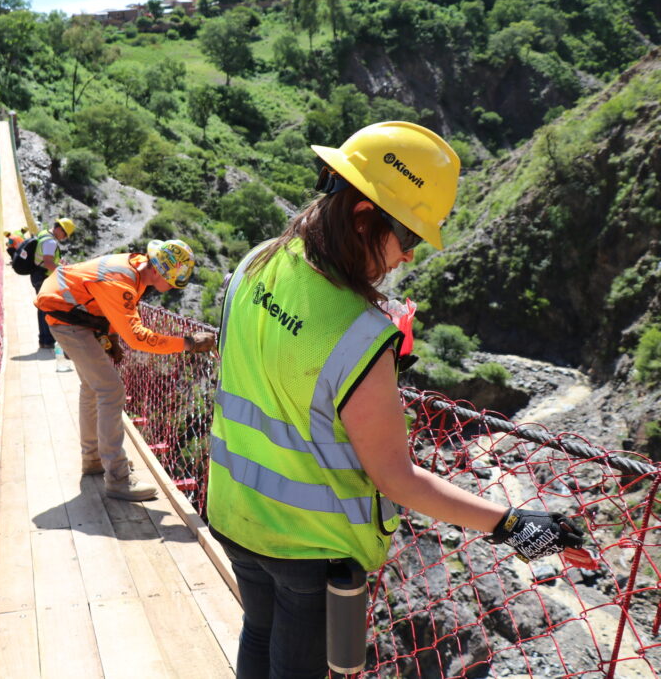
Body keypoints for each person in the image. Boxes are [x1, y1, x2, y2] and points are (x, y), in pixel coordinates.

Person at [205, 121, 585, 678]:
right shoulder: (360, 333)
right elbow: (397, 479)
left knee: (258, 632)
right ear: (363, 217)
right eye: (408, 237)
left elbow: (271, 376)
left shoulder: (257, 261)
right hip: (309, 545)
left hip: (233, 508)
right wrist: (511, 524)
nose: (407, 256)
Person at [35, 239, 217, 501]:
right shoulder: (121, 281)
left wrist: (112, 337)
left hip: (74, 313)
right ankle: (118, 480)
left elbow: (113, 307)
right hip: (67, 320)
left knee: (93, 387)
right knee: (111, 390)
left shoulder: (137, 269)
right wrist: (187, 344)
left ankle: (93, 459)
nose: (172, 288)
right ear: (159, 272)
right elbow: (138, 338)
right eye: (173, 282)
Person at [31, 218, 75, 348]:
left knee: (42, 307)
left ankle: (44, 340)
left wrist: (58, 262)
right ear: (59, 229)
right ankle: (47, 340)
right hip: (42, 277)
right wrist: (63, 270)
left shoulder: (44, 233)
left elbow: (47, 257)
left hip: (37, 274)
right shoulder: (50, 242)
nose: (64, 238)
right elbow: (48, 262)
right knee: (47, 308)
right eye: (65, 234)